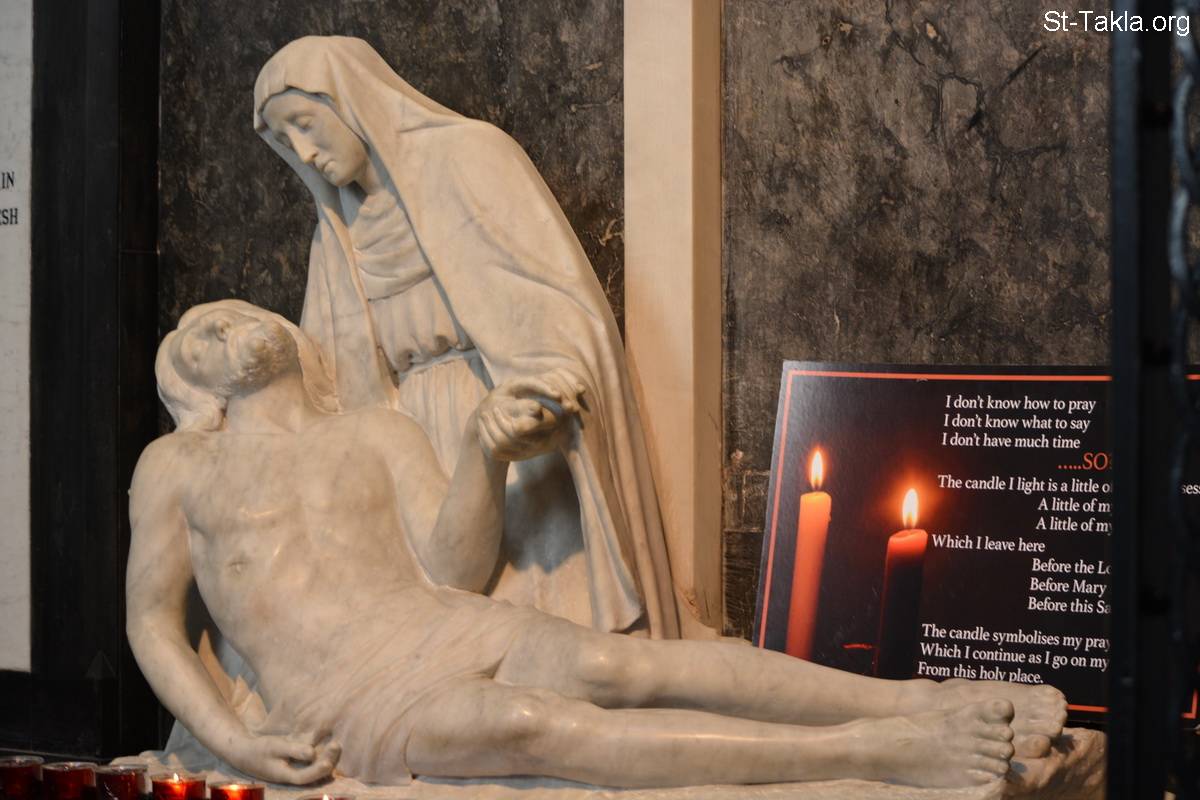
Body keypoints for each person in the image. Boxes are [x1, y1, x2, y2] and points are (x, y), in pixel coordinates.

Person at [127, 301, 1068, 790]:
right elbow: (153, 624)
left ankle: (924, 698)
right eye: (197, 335)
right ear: (193, 390)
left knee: (626, 666)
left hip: (438, 624)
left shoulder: (374, 432)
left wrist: (483, 451)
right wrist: (236, 741)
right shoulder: (179, 465)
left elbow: (450, 569)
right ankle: (882, 751)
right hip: (346, 699)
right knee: (531, 728)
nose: (219, 324)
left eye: (228, 311)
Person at [252, 35, 678, 637]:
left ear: (349, 99)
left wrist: (542, 387)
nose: (303, 151)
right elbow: (327, 388)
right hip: (414, 449)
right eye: (284, 142)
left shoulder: (469, 156)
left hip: (505, 418)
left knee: (542, 635)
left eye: (304, 124)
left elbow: (560, 311)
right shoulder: (335, 237)